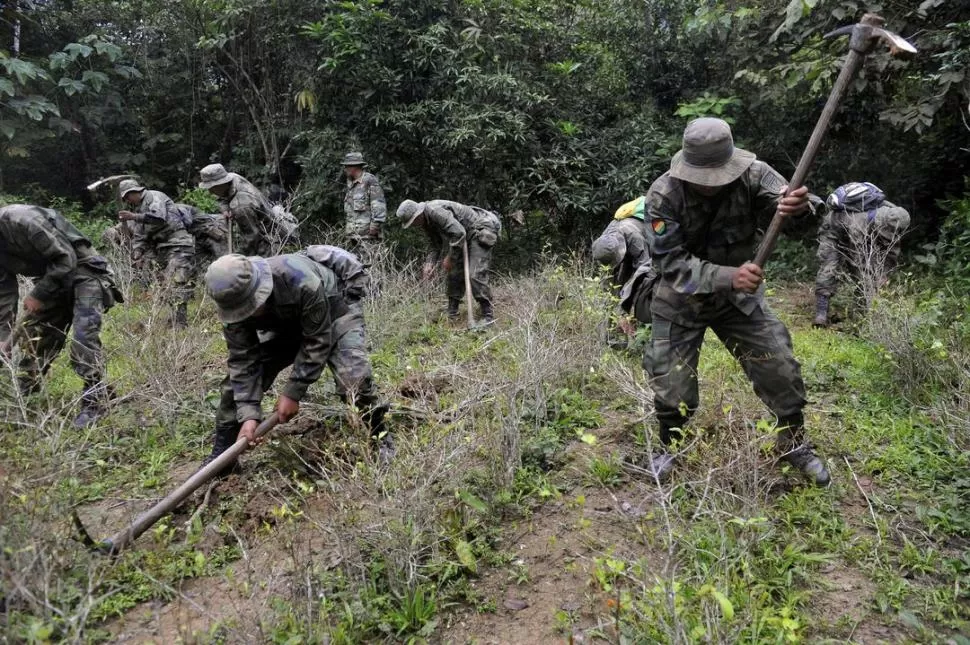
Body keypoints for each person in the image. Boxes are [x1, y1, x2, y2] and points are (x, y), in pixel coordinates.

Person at [641, 117, 829, 486]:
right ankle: (668, 446)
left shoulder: (754, 174)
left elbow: (798, 207)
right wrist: (729, 276)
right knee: (673, 388)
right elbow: (669, 263)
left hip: (739, 302)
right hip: (682, 301)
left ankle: (792, 443)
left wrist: (799, 207)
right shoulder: (663, 195)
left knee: (780, 367)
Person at [201, 251, 391, 472]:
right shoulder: (232, 308)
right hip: (286, 325)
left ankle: (379, 436)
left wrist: (293, 392)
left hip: (334, 312)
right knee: (233, 387)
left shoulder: (301, 280)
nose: (249, 313)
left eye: (252, 305)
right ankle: (223, 456)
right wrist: (249, 414)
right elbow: (243, 361)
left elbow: (318, 339)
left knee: (354, 380)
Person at [0, 204, 123, 427]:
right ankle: (24, 404)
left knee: (83, 339)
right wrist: (3, 336)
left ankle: (95, 399)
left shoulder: (22, 220)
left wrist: (38, 294)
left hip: (85, 273)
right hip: (52, 282)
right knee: (34, 341)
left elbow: (66, 258)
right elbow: (5, 294)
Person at [813, 181, 910, 327]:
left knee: (836, 266)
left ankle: (849, 315)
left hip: (841, 223)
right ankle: (829, 315)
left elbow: (890, 251)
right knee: (839, 268)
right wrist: (878, 276)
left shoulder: (891, 212)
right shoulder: (868, 221)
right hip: (838, 226)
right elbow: (860, 260)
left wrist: (884, 272)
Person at [396, 199, 501, 324]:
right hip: (464, 233)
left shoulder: (435, 212)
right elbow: (435, 244)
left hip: (481, 226)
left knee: (475, 274)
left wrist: (450, 257)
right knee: (454, 273)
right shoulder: (426, 221)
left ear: (418, 214)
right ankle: (452, 311)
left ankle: (487, 314)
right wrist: (430, 263)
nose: (414, 225)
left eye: (413, 221)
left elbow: (459, 233)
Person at [118, 180, 196, 327]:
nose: (128, 201)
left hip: (177, 244)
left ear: (133, 192)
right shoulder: (139, 209)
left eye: (127, 197)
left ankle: (180, 323)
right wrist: (137, 253)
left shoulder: (154, 196)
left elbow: (158, 218)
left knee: (177, 282)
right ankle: (171, 318)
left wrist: (133, 217)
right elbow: (140, 237)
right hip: (161, 249)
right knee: (162, 283)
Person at [592, 212, 651, 346]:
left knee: (641, 294)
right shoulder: (604, 241)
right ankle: (612, 338)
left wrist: (629, 312)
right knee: (613, 293)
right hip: (628, 250)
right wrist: (617, 312)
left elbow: (644, 276)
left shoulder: (635, 239)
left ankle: (642, 340)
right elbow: (608, 280)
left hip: (647, 254)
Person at [199, 164, 278, 257]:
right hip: (256, 223)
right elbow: (222, 198)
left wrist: (237, 256)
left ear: (220, 184)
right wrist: (225, 210)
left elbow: (252, 237)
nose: (210, 191)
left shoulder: (241, 206)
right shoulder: (232, 178)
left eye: (212, 188)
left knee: (260, 264)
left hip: (268, 235)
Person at [342, 152, 387, 254]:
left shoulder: (369, 181)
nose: (345, 169)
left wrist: (374, 227)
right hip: (353, 236)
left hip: (367, 237)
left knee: (369, 263)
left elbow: (379, 205)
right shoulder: (351, 183)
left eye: (347, 166)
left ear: (355, 167)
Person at [174, 203, 229, 271]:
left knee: (225, 260)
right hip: (198, 236)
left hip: (211, 231)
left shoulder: (177, 208)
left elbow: (187, 221)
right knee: (198, 264)